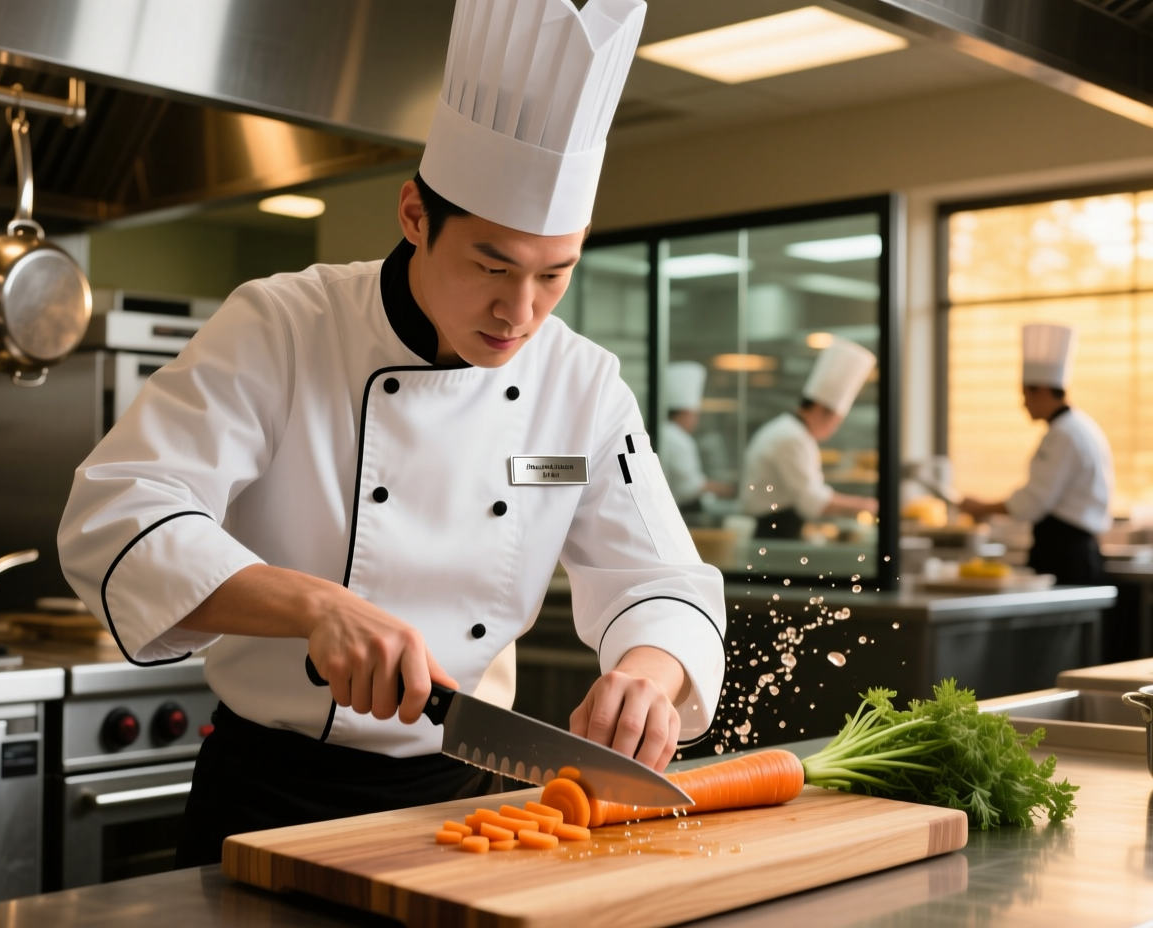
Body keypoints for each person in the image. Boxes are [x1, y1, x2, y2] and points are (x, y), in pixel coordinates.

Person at [57, 0, 725, 869]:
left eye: (554, 275)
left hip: (474, 804)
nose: (519, 312)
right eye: (491, 265)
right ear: (414, 215)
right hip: (269, 794)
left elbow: (660, 576)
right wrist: (316, 606)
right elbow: (118, 514)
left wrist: (648, 675)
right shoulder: (284, 324)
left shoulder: (582, 383)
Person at [959, 323, 1114, 584]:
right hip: (1072, 550)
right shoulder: (1079, 427)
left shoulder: (1064, 435)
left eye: (1025, 396)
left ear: (1041, 390)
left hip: (1065, 554)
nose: (1023, 405)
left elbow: (1033, 501)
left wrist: (980, 507)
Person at [739, 338, 879, 539]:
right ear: (821, 410)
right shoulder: (790, 438)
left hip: (780, 526)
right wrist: (866, 506)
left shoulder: (791, 432)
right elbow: (812, 501)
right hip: (774, 531)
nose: (834, 429)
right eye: (836, 422)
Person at [659, 361, 735, 508]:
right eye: (695, 414)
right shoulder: (676, 438)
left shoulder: (667, 433)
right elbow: (689, 488)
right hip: (677, 509)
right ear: (686, 413)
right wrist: (728, 490)